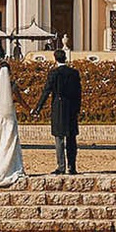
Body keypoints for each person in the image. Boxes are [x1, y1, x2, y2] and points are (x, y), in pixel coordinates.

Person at [34, 44, 84, 174]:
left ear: (55, 59)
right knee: (72, 138)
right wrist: (78, 108)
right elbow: (79, 92)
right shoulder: (74, 73)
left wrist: (38, 107)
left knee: (59, 138)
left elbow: (46, 91)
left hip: (58, 106)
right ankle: (72, 167)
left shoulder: (54, 73)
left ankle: (61, 166)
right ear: (65, 58)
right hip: (71, 107)